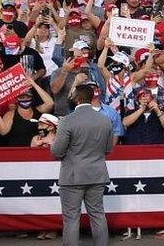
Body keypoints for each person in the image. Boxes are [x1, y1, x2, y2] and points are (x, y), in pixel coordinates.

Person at [51, 84, 115, 246]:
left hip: (72, 176)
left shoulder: (67, 121)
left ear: (77, 98)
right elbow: (108, 149)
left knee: (71, 218)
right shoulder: (105, 120)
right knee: (98, 214)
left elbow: (57, 151)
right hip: (97, 174)